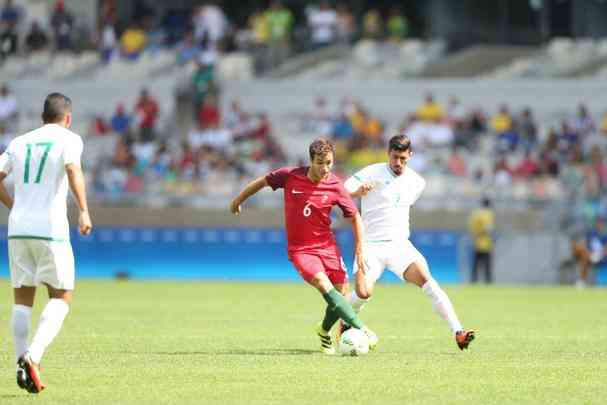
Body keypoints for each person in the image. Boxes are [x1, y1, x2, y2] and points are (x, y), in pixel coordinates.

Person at [229, 138, 377, 354]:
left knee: (342, 293)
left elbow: (355, 217)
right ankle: (362, 328)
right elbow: (261, 182)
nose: (325, 168)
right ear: (311, 161)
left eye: (329, 162)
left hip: (327, 246)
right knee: (321, 282)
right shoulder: (290, 175)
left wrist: (359, 249)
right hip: (301, 250)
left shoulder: (335, 185)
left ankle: (324, 331)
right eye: (320, 162)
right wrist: (237, 200)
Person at [343, 134, 475, 351]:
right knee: (363, 293)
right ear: (388, 153)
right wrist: (357, 193)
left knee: (428, 281)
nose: (398, 163)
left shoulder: (417, 182)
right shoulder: (370, 172)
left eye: (403, 158)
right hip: (370, 246)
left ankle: (458, 331)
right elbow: (341, 192)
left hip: (399, 246)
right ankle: (343, 319)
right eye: (395, 157)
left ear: (410, 155)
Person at [0, 93, 92, 393]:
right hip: (50, 228)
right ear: (67, 118)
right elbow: (72, 169)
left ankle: (19, 364)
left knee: (22, 299)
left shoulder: (18, 142)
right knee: (62, 295)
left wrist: (13, 206)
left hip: (18, 229)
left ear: (42, 117)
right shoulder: (69, 139)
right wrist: (84, 210)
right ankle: (33, 356)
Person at [468, 197, 495, 283]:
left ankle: (473, 281)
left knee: (476, 266)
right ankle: (488, 282)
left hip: (477, 243)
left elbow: (472, 227)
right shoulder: (488, 214)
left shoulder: (476, 214)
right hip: (486, 244)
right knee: (487, 266)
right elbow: (488, 229)